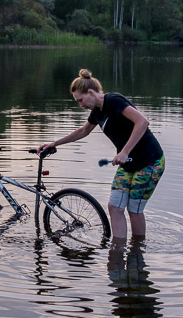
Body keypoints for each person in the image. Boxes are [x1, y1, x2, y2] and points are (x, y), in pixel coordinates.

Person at [38, 69, 165, 239]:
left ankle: (137, 252)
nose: (80, 105)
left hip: (150, 162)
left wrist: (125, 151)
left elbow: (142, 122)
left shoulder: (114, 101)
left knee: (134, 210)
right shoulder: (97, 112)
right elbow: (84, 131)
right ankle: (118, 250)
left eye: (80, 100)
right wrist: (54, 143)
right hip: (128, 163)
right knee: (115, 207)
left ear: (90, 92)